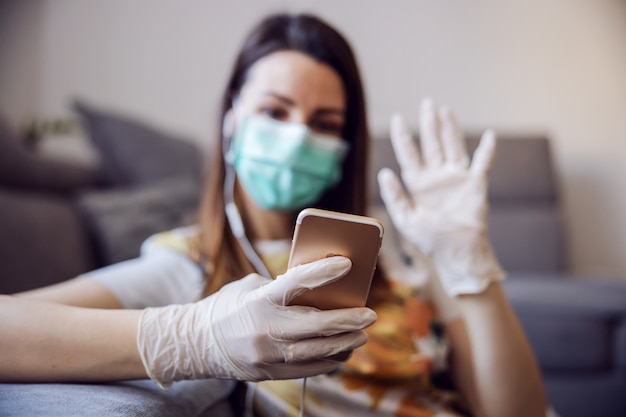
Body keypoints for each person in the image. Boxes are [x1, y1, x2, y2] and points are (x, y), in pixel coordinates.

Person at [0, 12, 547, 417]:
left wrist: (469, 264)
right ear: (232, 117)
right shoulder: (193, 262)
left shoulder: (406, 246)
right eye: (274, 112)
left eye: (325, 122)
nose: (297, 136)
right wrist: (195, 336)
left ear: (346, 145)